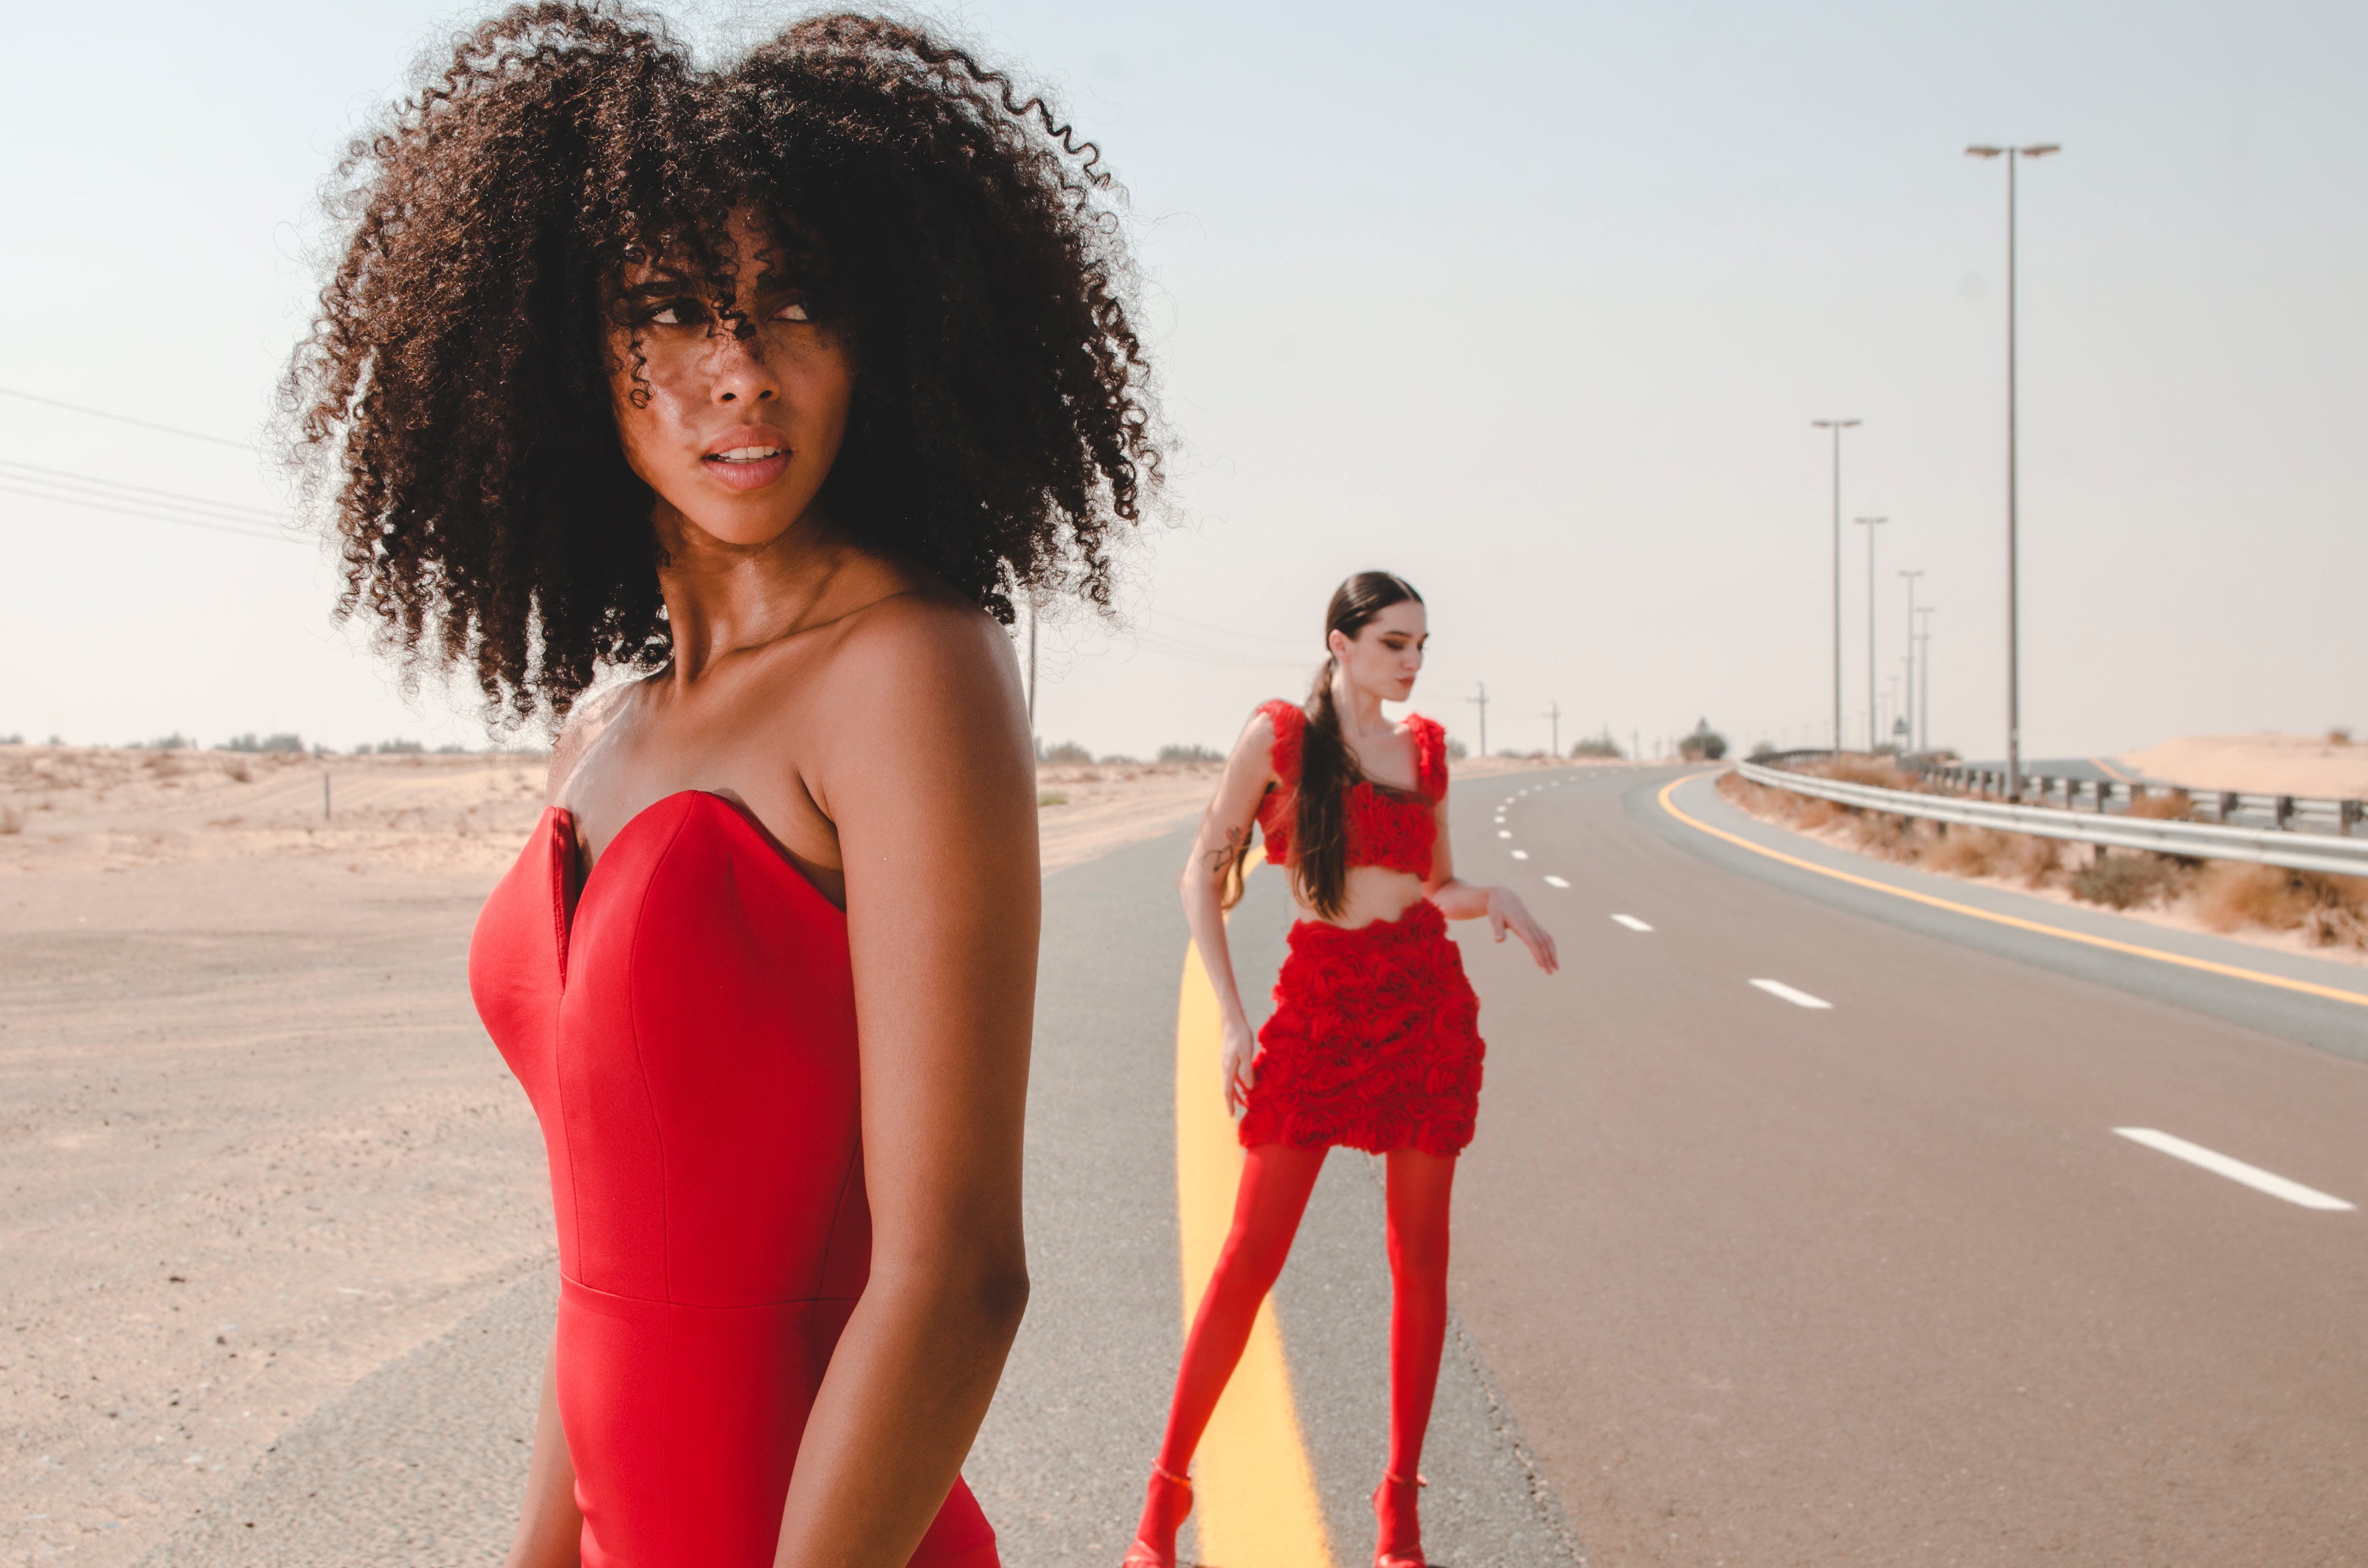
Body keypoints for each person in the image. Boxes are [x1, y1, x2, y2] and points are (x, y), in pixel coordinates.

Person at [286, 8, 1157, 1566]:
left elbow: (957, 1272)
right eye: (673, 308)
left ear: (878, 340)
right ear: (560, 353)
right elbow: (603, 1268)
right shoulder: (605, 727)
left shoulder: (905, 669)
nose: (738, 371)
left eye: (792, 305)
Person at [1124, 572, 1558, 1568]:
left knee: (1421, 1262)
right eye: (1393, 643)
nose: (1412, 662)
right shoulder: (1280, 739)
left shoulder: (1427, 752)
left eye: (1420, 645)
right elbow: (1205, 862)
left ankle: (1398, 1507)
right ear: (1340, 643)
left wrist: (1495, 896)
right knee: (1247, 1259)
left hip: (1422, 1008)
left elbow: (1435, 883)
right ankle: (1163, 1497)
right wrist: (1233, 1019)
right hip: (1319, 1012)